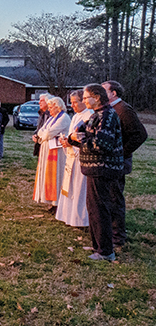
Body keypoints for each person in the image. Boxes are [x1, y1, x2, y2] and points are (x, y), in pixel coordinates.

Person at [69, 84, 124, 261]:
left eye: (86, 98)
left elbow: (102, 144)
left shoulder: (108, 115)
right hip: (92, 169)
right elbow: (80, 132)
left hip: (102, 169)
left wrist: (81, 138)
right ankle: (98, 246)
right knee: (93, 208)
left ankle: (106, 251)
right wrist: (76, 138)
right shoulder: (95, 116)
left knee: (100, 209)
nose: (84, 101)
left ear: (97, 97)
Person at [101, 80, 147, 247]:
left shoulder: (124, 110)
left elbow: (140, 135)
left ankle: (118, 237)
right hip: (109, 163)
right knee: (108, 198)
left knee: (115, 199)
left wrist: (121, 152)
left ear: (113, 93)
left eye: (103, 90)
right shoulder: (110, 110)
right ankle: (109, 233)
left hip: (118, 163)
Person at [56, 90, 93, 227]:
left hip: (80, 156)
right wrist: (65, 141)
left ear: (83, 101)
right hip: (71, 155)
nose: (72, 105)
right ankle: (68, 216)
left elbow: (84, 137)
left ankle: (80, 219)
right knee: (69, 187)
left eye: (75, 102)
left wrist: (71, 143)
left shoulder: (89, 116)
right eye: (71, 103)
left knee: (79, 188)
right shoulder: (76, 116)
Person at [33, 96, 70, 213]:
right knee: (47, 175)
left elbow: (48, 133)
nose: (49, 110)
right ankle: (50, 201)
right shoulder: (51, 119)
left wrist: (44, 135)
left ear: (57, 107)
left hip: (57, 152)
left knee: (56, 175)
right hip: (47, 150)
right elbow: (40, 131)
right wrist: (44, 134)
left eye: (51, 107)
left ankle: (58, 202)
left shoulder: (63, 118)